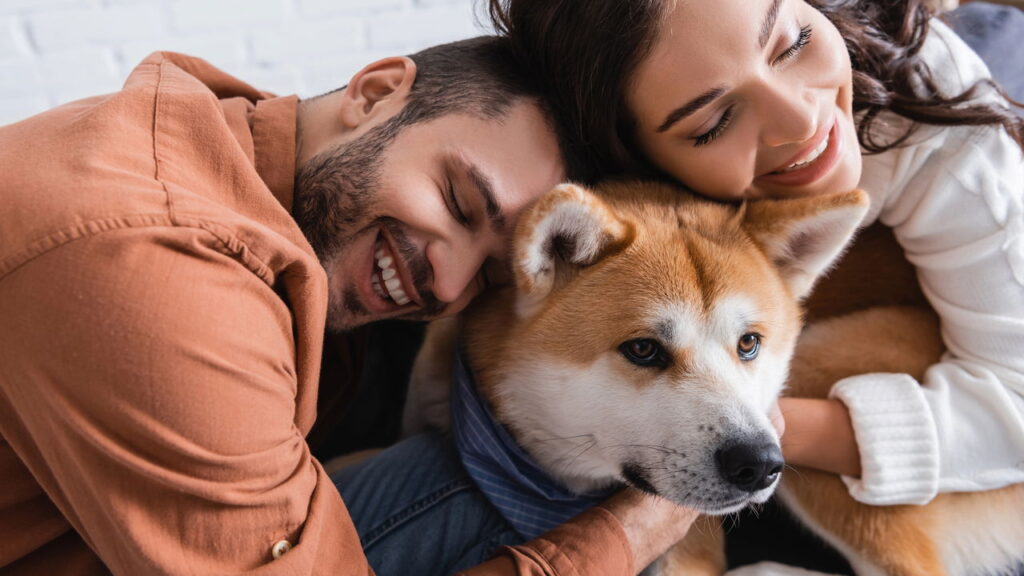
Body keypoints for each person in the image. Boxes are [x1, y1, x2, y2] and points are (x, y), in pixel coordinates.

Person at [0, 37, 697, 575]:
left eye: (491, 272)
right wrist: (624, 535)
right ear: (376, 91)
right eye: (459, 201)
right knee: (512, 481)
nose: (448, 286)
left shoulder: (212, 137)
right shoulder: (155, 266)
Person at [487, 0, 1024, 571]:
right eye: (714, 121)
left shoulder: (944, 128)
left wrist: (771, 433)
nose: (800, 119)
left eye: (790, 44)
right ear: (628, 154)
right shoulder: (575, 211)